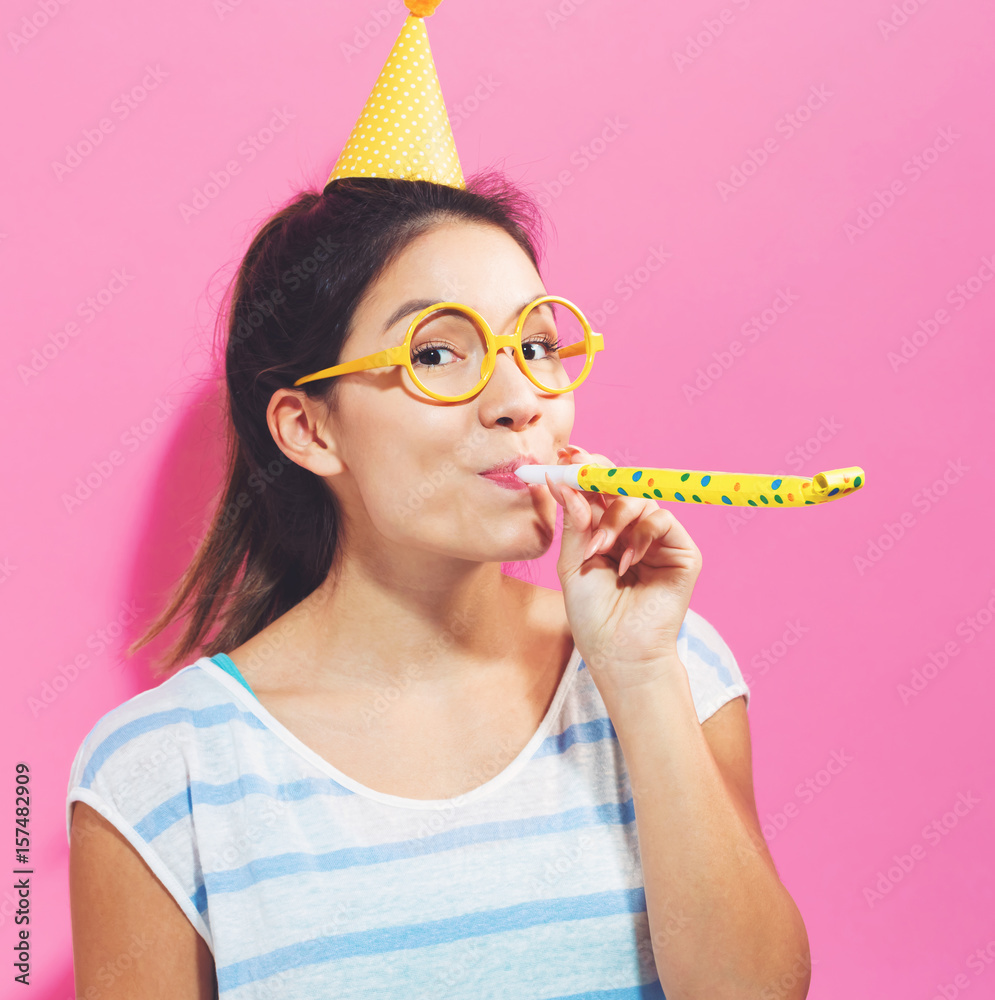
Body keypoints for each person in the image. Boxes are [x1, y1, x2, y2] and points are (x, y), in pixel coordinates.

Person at [67, 5, 810, 998]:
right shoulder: (159, 774)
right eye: (435, 354)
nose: (518, 401)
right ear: (309, 429)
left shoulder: (669, 664)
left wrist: (635, 675)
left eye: (536, 345)